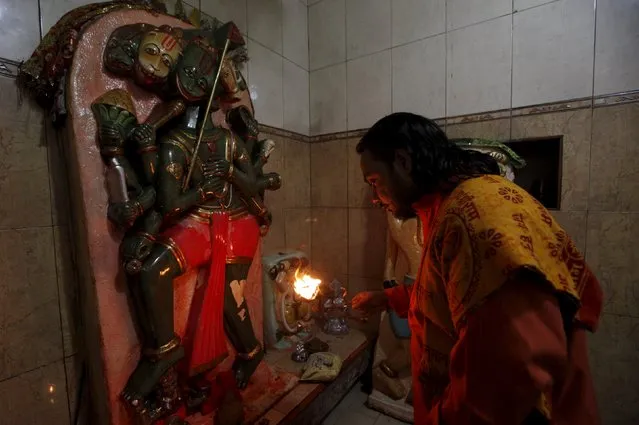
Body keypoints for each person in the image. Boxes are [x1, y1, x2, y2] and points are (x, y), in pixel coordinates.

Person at [352, 112, 603, 425]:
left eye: (375, 182)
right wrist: (389, 298)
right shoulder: (452, 202)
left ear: (402, 161)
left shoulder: (472, 216)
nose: (375, 198)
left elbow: (511, 370)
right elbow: (455, 292)